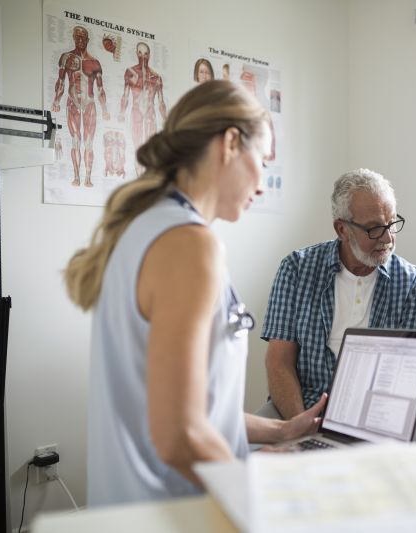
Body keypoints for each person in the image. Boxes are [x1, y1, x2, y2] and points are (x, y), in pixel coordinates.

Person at [64, 80, 324, 506]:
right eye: (263, 159)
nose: (262, 184)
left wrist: (283, 430)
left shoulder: (145, 229)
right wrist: (263, 495)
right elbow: (180, 435)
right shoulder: (189, 245)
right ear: (229, 144)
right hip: (171, 512)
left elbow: (191, 411)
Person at [259, 169, 416, 419]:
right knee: (248, 450)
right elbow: (279, 362)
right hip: (299, 405)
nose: (387, 238)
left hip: (373, 412)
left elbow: (403, 380)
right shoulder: (296, 268)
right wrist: (299, 426)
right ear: (342, 229)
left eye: (392, 223)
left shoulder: (412, 283)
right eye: (373, 228)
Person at [51, 25, 110, 188]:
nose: (80, 40)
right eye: (77, 37)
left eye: (83, 37)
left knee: (89, 142)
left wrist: (104, 109)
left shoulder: (94, 62)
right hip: (73, 103)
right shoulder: (66, 58)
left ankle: (88, 177)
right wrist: (56, 101)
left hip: (90, 104)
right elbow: (61, 81)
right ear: (73, 38)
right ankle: (77, 176)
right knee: (76, 140)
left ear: (87, 40)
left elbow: (100, 88)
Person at [118, 42, 167, 169]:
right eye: (140, 53)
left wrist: (166, 119)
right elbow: (125, 95)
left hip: (150, 113)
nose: (143, 56)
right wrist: (122, 113)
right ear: (136, 53)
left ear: (149, 55)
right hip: (136, 113)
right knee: (138, 148)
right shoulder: (130, 72)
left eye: (145, 54)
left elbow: (161, 102)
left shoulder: (156, 77)